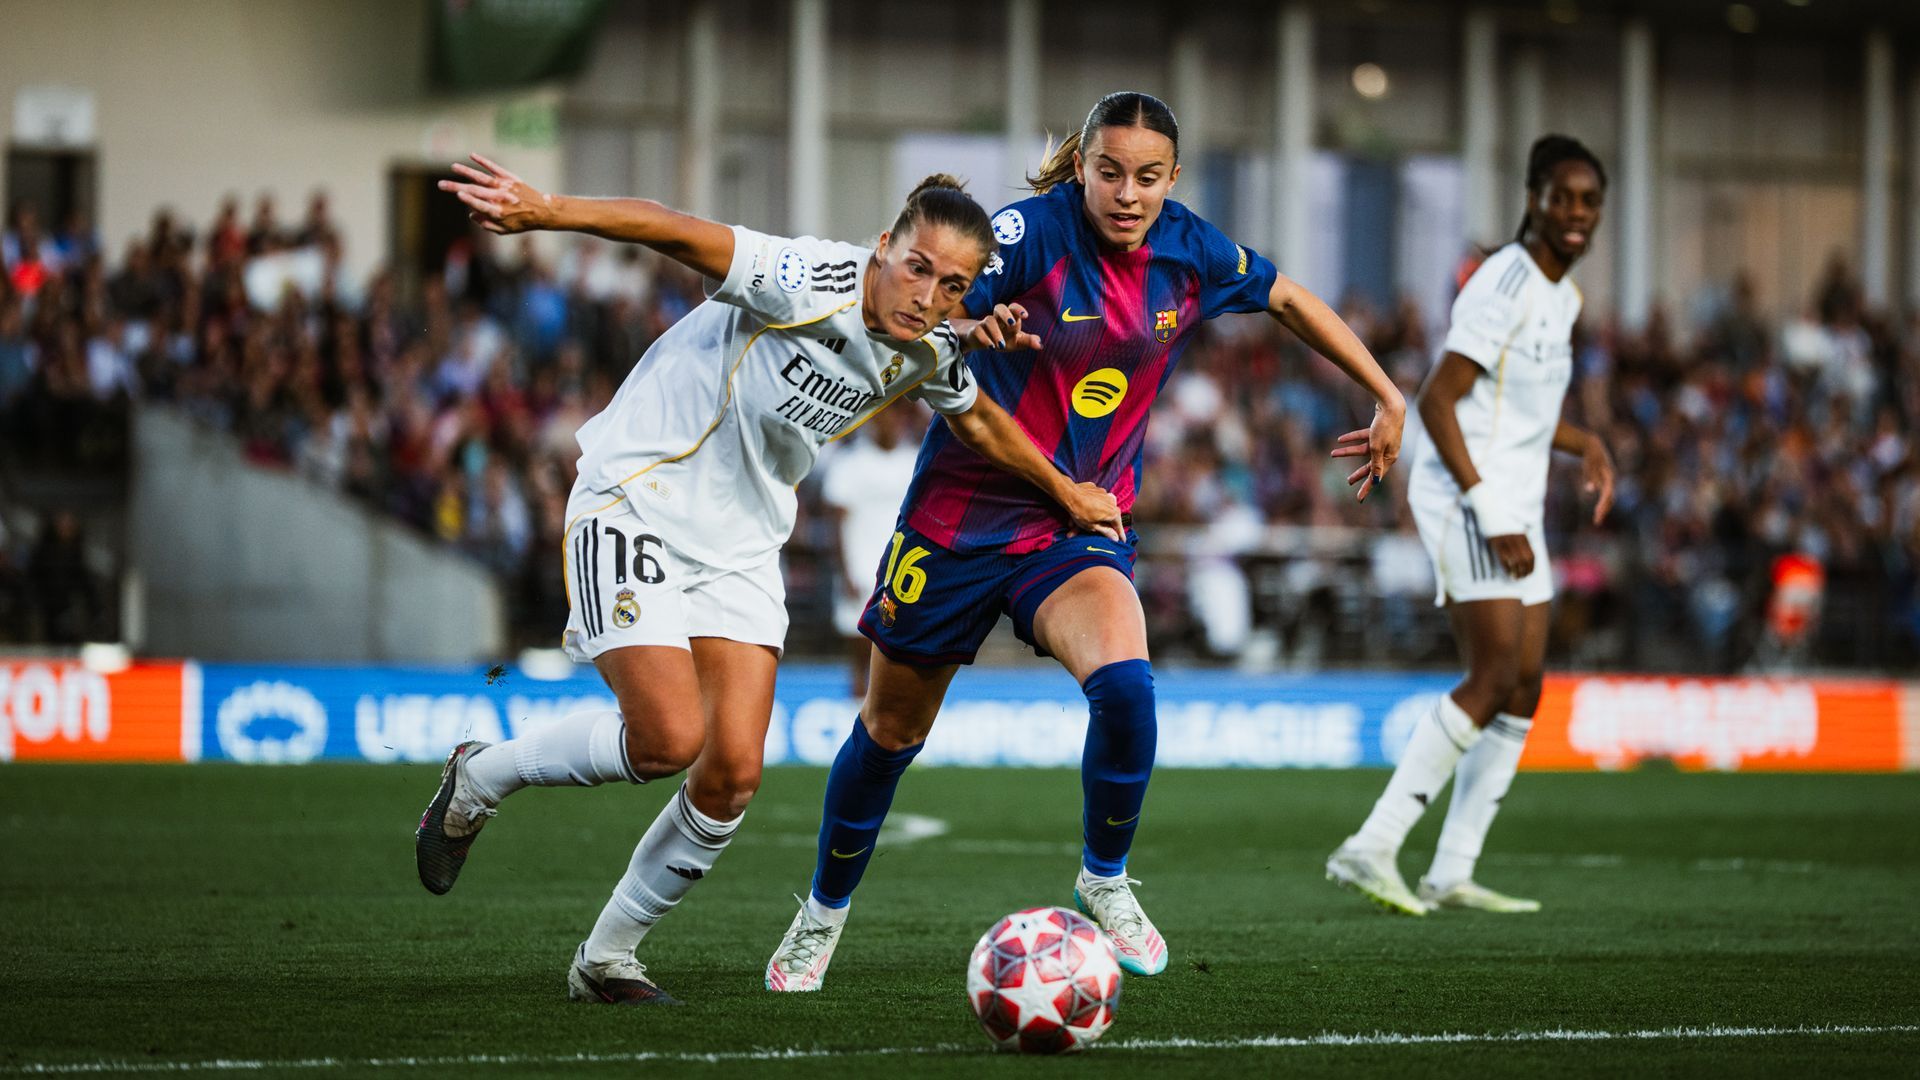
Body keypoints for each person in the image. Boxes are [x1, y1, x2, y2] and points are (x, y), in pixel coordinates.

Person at [416, 155, 1124, 1005]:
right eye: (916, 268)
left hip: (744, 544)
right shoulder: (806, 276)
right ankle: (482, 775)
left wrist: (1067, 492)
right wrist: (548, 210)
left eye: (952, 285)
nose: (928, 297)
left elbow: (979, 421)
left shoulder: (930, 344)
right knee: (667, 741)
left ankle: (604, 960)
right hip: (637, 496)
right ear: (881, 247)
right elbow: (674, 228)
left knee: (729, 780)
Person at [765, 92, 1406, 991]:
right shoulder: (1028, 231)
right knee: (889, 732)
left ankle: (1105, 878)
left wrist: (1387, 392)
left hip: (1075, 524)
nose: (1128, 193)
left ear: (1172, 179)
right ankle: (820, 917)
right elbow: (941, 302)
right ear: (1082, 167)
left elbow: (1290, 297)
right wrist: (969, 319)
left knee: (1128, 686)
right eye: (1109, 171)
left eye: (1148, 176)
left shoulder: (1191, 249)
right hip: (955, 521)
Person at [1325, 134, 1614, 916]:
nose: (1577, 213)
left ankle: (1451, 869)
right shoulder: (1505, 282)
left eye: (1590, 200)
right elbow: (1440, 402)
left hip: (1513, 499)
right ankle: (1371, 847)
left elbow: (1516, 411)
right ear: (1534, 199)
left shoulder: (1564, 296)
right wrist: (1488, 508)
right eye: (1564, 197)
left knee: (1524, 686)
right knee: (1490, 677)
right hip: (1468, 497)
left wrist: (1583, 442)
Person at [817, 402, 925, 696]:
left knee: (899, 650)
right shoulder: (849, 463)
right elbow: (836, 525)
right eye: (889, 415)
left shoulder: (915, 461)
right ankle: (856, 710)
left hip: (902, 572)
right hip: (861, 570)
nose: (895, 422)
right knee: (860, 650)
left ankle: (891, 715)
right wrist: (844, 573)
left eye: (900, 416)